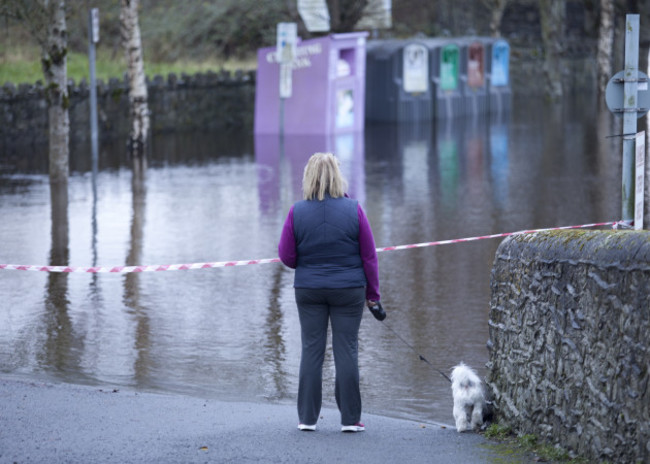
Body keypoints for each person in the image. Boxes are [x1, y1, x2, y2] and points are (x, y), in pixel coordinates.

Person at [278, 152, 380, 433]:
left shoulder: (296, 211)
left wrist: (307, 264)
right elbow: (369, 257)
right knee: (346, 349)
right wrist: (373, 296)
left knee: (312, 350)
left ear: (308, 178)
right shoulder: (354, 210)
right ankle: (350, 420)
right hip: (349, 291)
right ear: (337, 176)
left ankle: (307, 419)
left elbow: (285, 255)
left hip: (309, 289)